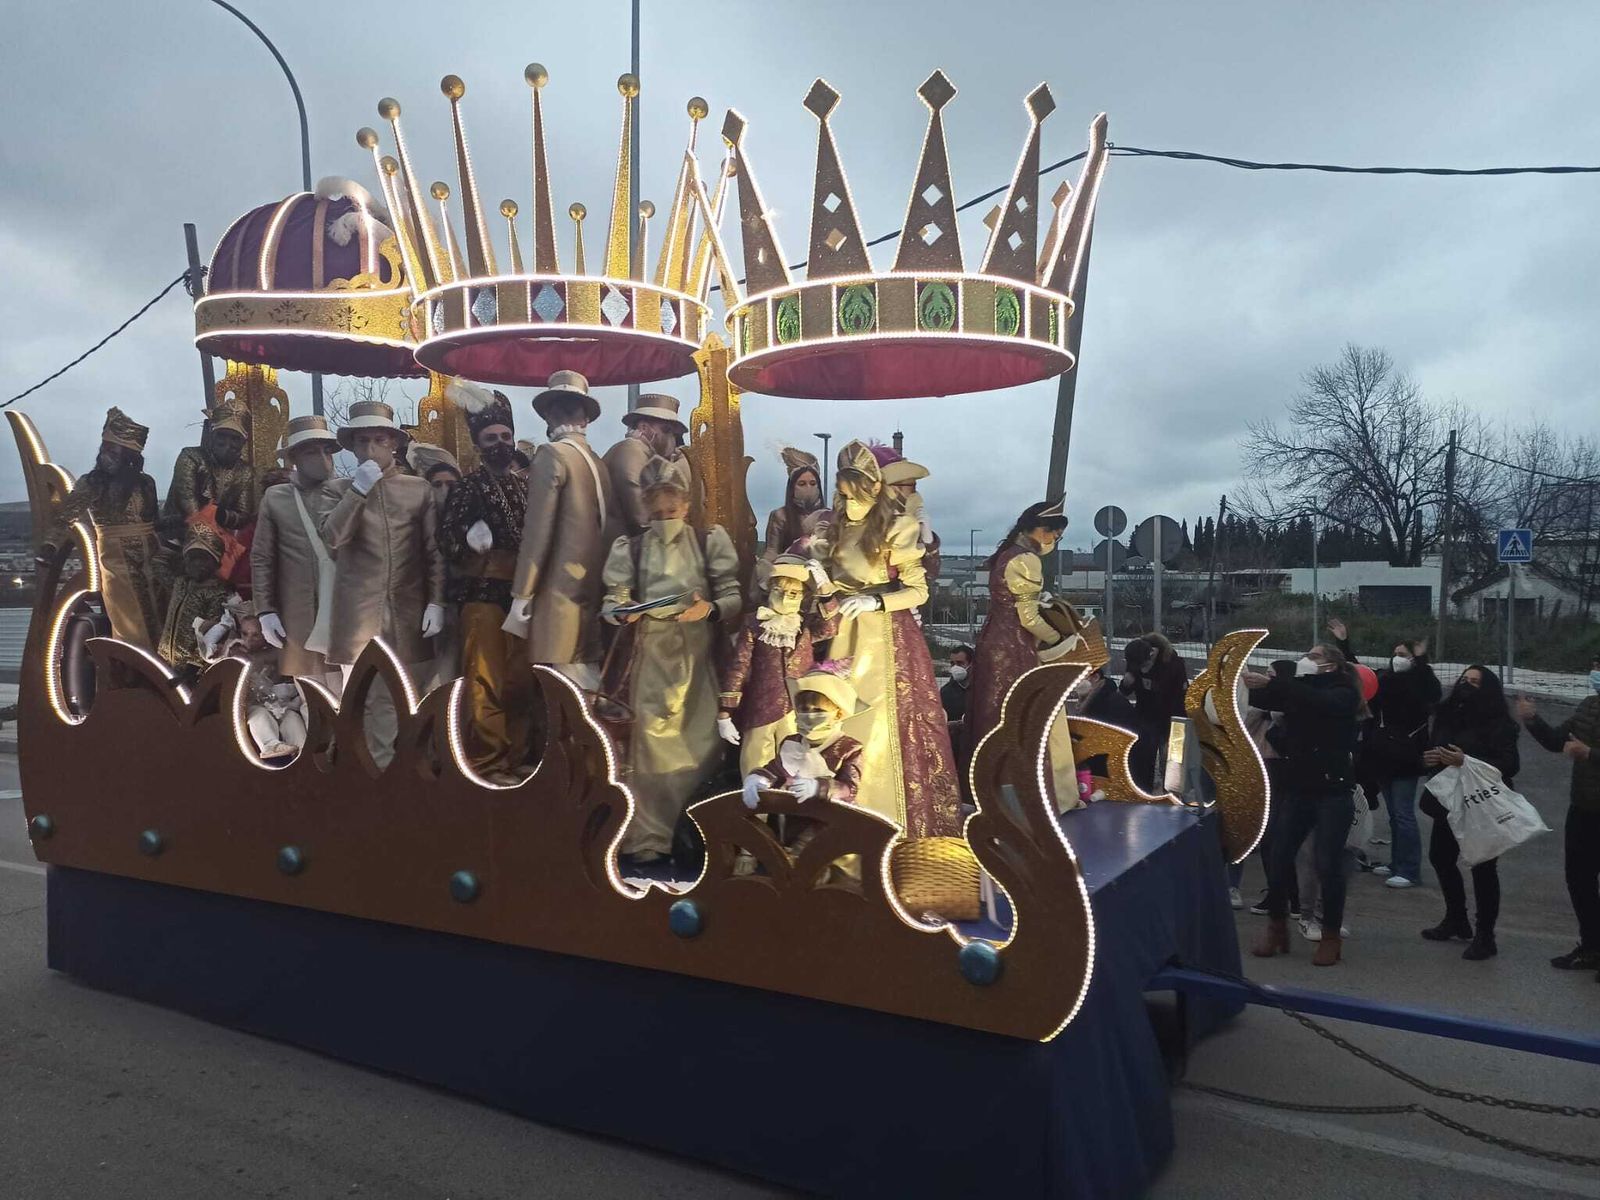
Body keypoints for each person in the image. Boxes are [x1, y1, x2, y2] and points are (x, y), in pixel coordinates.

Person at [813, 441, 960, 839]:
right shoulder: (831, 528)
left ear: (874, 489)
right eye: (843, 495)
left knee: (881, 723)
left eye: (856, 494)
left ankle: (892, 818)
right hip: (840, 635)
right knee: (836, 719)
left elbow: (918, 591)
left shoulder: (898, 527)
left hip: (885, 639)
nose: (849, 502)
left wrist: (875, 599)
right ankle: (843, 823)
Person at [601, 456, 741, 862]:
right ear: (646, 509)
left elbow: (733, 596)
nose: (665, 517)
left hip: (699, 660)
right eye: (657, 511)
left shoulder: (708, 539)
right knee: (647, 747)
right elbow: (614, 599)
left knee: (702, 746)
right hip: (650, 659)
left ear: (686, 505)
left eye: (672, 509)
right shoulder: (631, 547)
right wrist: (620, 610)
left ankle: (699, 837)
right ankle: (648, 841)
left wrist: (709, 610)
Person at [322, 401, 447, 768]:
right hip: (361, 620)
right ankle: (380, 783)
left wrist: (436, 601)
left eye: (379, 439)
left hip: (410, 614)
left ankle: (407, 775)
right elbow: (332, 537)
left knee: (412, 697)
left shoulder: (418, 489)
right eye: (363, 441)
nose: (371, 448)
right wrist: (358, 491)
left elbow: (433, 551)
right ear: (353, 446)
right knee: (373, 701)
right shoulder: (338, 490)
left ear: (393, 442)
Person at [1246, 643, 1363, 966]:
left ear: (1332, 665)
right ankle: (1277, 926)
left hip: (1333, 791)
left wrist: (1277, 685)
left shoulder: (1343, 692)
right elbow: (1264, 701)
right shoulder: (1302, 687)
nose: (1306, 660)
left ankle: (1330, 936)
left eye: (1314, 656)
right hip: (1298, 787)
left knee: (1327, 863)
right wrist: (1249, 684)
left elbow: (1320, 702)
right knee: (1279, 856)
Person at [438, 385, 531, 783]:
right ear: (478, 443)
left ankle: (520, 756)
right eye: (491, 438)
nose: (500, 444)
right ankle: (488, 763)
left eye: (505, 437)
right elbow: (446, 540)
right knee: (484, 683)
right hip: (482, 598)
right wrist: (469, 540)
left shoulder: (524, 486)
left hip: (521, 596)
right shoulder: (468, 486)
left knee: (521, 680)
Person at [963, 500, 1081, 809]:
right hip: (1016, 647)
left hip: (993, 642)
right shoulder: (1027, 560)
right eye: (1053, 535)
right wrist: (1063, 639)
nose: (1053, 542)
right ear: (1038, 531)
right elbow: (1028, 618)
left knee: (994, 716)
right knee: (1030, 715)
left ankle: (992, 792)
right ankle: (1036, 796)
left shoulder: (1005, 555)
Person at [504, 371, 615, 692]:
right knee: (588, 685)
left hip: (559, 597)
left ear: (550, 414)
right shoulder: (598, 462)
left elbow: (538, 530)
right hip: (595, 590)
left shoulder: (552, 455)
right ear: (585, 417)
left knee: (567, 698)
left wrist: (522, 593)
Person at [1326, 618, 1439, 890]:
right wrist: (1344, 642)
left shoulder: (1420, 682)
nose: (1397, 659)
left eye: (1404, 655)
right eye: (1396, 654)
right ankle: (1397, 862)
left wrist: (1422, 663)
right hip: (1382, 755)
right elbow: (1360, 676)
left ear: (1415, 659)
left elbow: (1429, 693)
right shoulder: (1385, 678)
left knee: (1403, 814)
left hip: (1406, 757)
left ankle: (1410, 869)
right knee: (1393, 814)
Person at [1417, 665, 1519, 961]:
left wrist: (1465, 760)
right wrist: (1431, 758)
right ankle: (1456, 918)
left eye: (1475, 682)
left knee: (1483, 867)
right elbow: (1436, 747)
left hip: (1481, 803)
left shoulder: (1499, 723)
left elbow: (1509, 764)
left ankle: (1485, 935)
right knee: (1440, 857)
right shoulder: (1447, 714)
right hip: (1449, 799)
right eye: (1464, 680)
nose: (1467, 685)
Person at [42, 407, 165, 651]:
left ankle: (169, 674)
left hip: (152, 555)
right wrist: (50, 545)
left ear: (130, 456)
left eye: (112, 450)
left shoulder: (145, 482)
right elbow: (65, 516)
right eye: (104, 448)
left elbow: (155, 520)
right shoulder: (91, 482)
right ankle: (133, 675)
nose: (105, 455)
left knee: (162, 613)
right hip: (117, 559)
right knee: (130, 622)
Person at [718, 554, 838, 776]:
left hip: (798, 710)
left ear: (802, 597)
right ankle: (756, 809)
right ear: (769, 590)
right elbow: (739, 665)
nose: (785, 597)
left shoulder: (805, 625)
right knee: (755, 763)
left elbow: (830, 628)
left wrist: (826, 592)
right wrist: (725, 711)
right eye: (778, 591)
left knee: (796, 766)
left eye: (793, 593)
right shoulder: (754, 623)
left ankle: (788, 809)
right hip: (760, 706)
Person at [742, 660, 868, 862]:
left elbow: (849, 788)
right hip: (787, 820)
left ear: (838, 712)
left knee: (808, 862)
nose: (809, 716)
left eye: (818, 711)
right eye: (803, 710)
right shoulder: (791, 742)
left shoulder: (849, 747)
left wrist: (818, 787)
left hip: (826, 824)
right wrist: (757, 778)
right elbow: (774, 769)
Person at [1518, 664, 1600, 974]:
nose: (1595, 672)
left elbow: (1582, 750)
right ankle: (1591, 947)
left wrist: (1589, 753)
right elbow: (1556, 740)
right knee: (1579, 880)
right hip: (1583, 807)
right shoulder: (1589, 704)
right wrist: (1532, 719)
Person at [252, 415, 342, 688]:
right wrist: (265, 610)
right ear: (294, 458)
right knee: (312, 694)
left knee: (352, 692)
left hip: (344, 608)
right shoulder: (277, 498)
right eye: (311, 451)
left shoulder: (348, 491)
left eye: (326, 450)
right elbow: (262, 557)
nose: (322, 458)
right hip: (297, 612)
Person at [603, 393, 689, 545]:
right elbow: (643, 519)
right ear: (644, 427)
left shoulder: (643, 454)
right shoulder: (632, 450)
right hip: (620, 557)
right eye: (667, 430)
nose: (672, 438)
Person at [162, 400, 255, 540]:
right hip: (177, 540)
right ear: (212, 435)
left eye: (235, 438)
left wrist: (221, 515)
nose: (227, 443)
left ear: (243, 442)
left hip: (219, 543)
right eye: (222, 435)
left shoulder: (245, 472)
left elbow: (243, 516)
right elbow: (188, 503)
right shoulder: (190, 456)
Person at [154, 523, 231, 677]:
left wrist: (193, 667)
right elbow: (157, 565)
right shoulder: (180, 583)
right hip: (164, 659)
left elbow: (211, 634)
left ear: (216, 564)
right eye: (192, 558)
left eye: (204, 560)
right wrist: (171, 543)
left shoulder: (217, 593)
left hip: (191, 669)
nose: (197, 564)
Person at [1119, 632, 1189, 791]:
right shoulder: (1136, 655)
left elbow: (1177, 696)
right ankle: (1144, 790)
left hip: (1173, 716)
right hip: (1146, 715)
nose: (1141, 669)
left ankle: (1171, 795)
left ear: (1152, 654)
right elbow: (1125, 691)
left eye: (1144, 665)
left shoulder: (1173, 664)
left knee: (1171, 760)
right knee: (1144, 754)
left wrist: (1150, 676)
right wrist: (1126, 683)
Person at [941, 645, 974, 722]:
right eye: (952, 664)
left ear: (972, 664)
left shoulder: (984, 689)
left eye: (960, 663)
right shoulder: (945, 692)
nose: (955, 667)